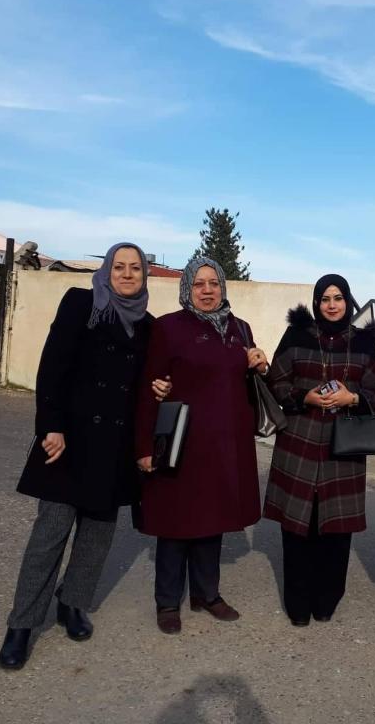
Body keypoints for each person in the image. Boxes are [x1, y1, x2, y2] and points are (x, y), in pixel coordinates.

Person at [0, 243, 170, 671]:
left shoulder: (147, 325)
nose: (127, 274)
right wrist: (50, 426)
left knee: (97, 535)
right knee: (49, 534)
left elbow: (147, 382)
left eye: (135, 268)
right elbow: (52, 366)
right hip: (70, 439)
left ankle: (72, 603)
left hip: (114, 445)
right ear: (106, 270)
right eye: (119, 267)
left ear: (144, 276)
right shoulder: (81, 303)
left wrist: (160, 388)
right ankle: (21, 624)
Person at [134, 256, 268, 634]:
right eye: (199, 284)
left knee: (213, 521)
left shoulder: (240, 329)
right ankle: (167, 602)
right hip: (182, 442)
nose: (208, 291)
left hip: (226, 444)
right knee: (176, 523)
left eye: (214, 284)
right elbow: (149, 389)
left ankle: (207, 594)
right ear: (187, 288)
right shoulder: (168, 328)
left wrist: (260, 365)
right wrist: (143, 447)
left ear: (223, 287)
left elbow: (251, 385)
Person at [263, 274, 375, 626]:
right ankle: (298, 603)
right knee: (297, 528)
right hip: (299, 440)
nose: (332, 305)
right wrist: (302, 396)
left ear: (348, 301)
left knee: (335, 529)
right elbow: (276, 380)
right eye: (325, 299)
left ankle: (326, 599)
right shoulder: (297, 335)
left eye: (338, 298)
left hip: (343, 446)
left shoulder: (364, 343)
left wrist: (353, 398)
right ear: (316, 302)